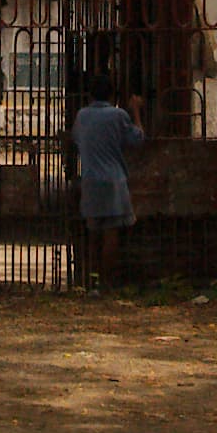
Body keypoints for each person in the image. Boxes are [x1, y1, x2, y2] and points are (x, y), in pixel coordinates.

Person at [71, 73, 144, 286]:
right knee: (111, 234)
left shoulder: (82, 116)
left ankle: (92, 281)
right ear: (112, 94)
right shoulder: (118, 115)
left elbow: (76, 138)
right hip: (114, 181)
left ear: (90, 95)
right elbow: (137, 139)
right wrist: (136, 111)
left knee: (93, 233)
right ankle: (107, 282)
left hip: (91, 180)